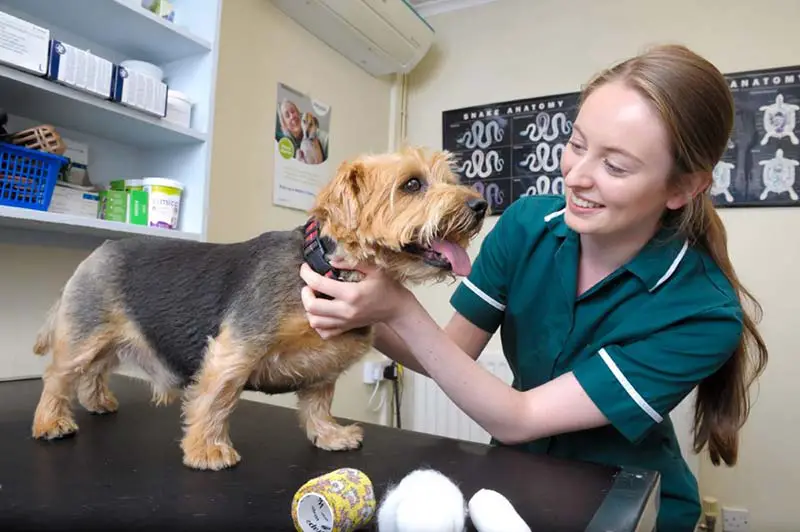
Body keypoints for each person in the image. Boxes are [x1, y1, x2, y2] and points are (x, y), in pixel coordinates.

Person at [298, 44, 769, 531]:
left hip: (625, 502)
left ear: (683, 187)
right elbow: (447, 353)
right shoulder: (527, 225)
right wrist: (359, 307)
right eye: (577, 143)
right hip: (515, 480)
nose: (576, 176)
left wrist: (396, 309)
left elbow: (519, 417)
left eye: (616, 166)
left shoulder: (702, 313)